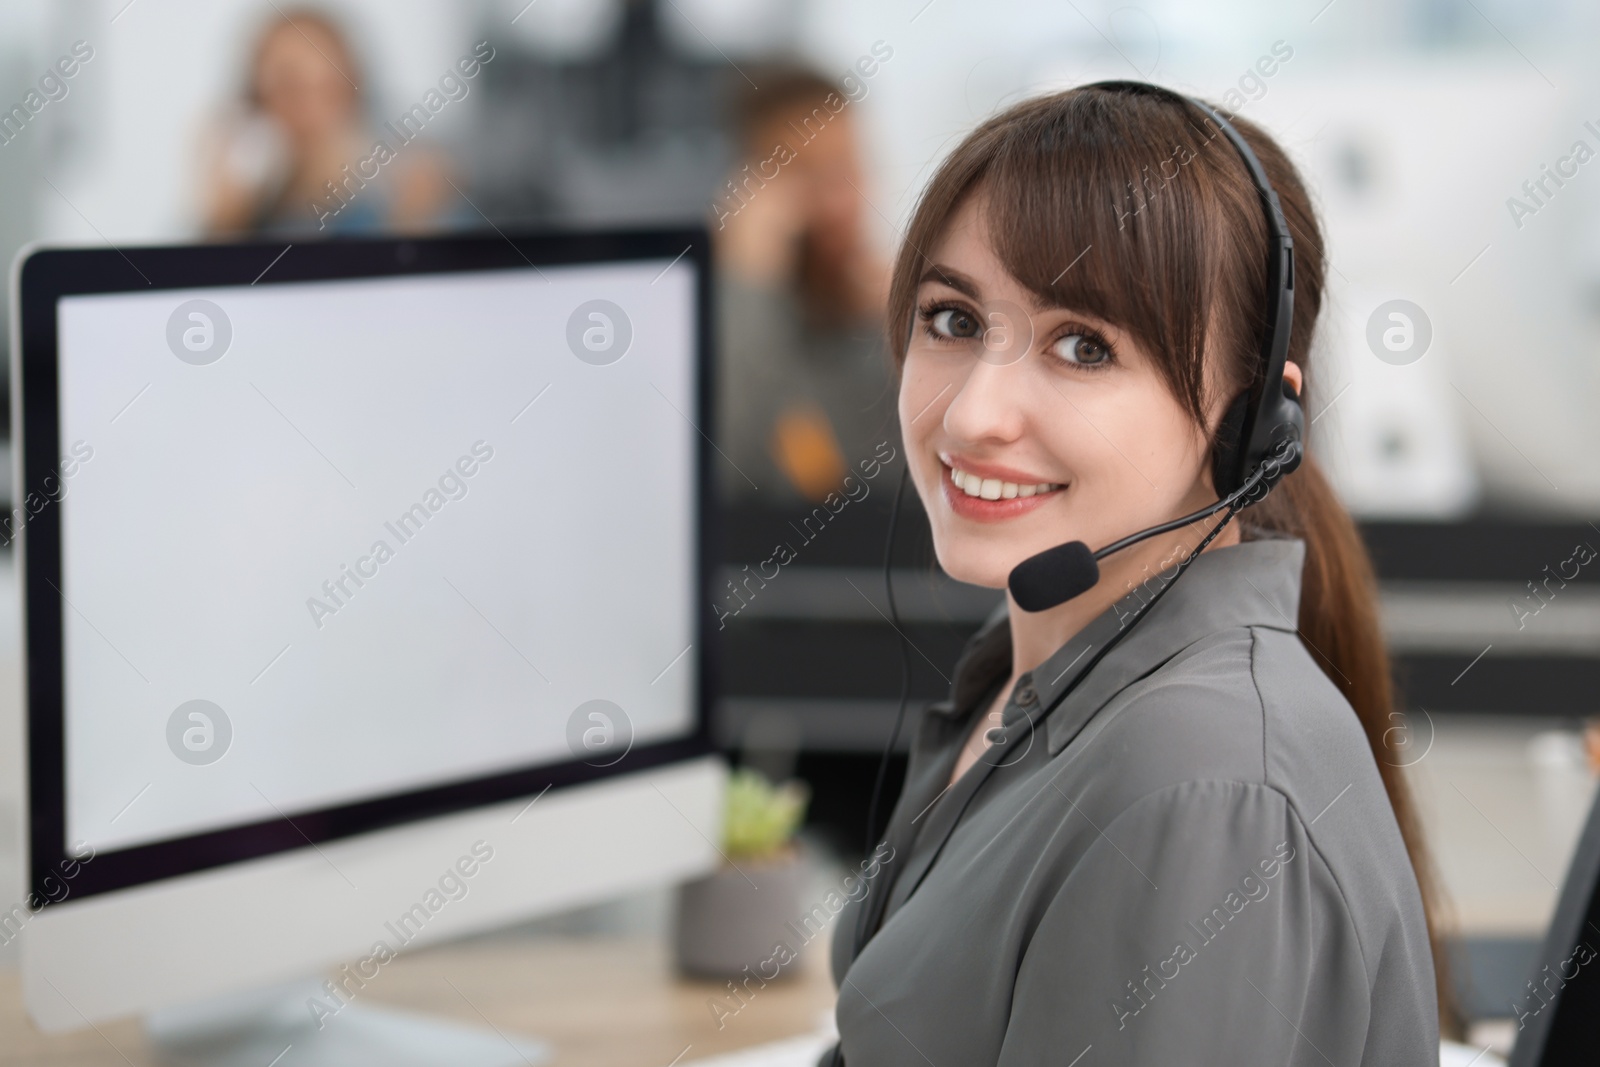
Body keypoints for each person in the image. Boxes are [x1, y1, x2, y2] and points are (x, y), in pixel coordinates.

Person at [823, 84, 1452, 1064]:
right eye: (952, 318)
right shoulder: (1030, 675)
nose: (974, 414)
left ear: (1250, 426)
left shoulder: (1203, 793)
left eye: (1082, 345)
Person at [714, 68, 895, 507]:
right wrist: (749, 280)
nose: (842, 201)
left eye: (848, 169)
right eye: (808, 178)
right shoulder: (730, 321)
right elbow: (739, 469)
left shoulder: (881, 313)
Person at [201, 7, 451, 238]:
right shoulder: (245, 212)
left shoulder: (399, 204)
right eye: (291, 90)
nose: (312, 113)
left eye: (330, 89)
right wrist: (225, 222)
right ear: (255, 105)